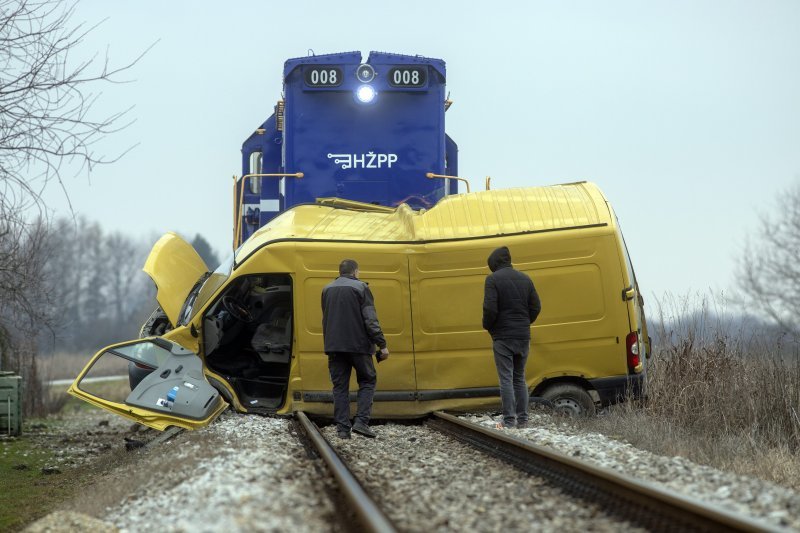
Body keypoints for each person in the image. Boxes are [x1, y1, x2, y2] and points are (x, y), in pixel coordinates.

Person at [322, 259, 390, 439]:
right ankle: (361, 422)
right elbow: (370, 320)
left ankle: (343, 430)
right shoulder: (361, 288)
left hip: (334, 347)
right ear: (355, 272)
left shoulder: (326, 290)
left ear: (340, 272)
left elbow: (326, 319)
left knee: (340, 387)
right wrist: (382, 345)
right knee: (368, 380)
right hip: (358, 346)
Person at [482, 246, 541, 429]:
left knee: (506, 379)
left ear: (495, 264)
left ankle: (509, 421)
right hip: (523, 336)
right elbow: (536, 307)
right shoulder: (525, 279)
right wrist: (524, 323)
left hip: (503, 337)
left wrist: (489, 327)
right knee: (519, 378)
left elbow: (490, 309)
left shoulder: (492, 280)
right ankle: (523, 420)